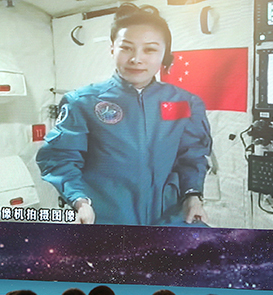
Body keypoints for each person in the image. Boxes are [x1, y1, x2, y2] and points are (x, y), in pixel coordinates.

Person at [36, 3, 210, 226]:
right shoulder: (82, 102)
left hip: (169, 220)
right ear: (112, 49)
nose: (137, 59)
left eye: (149, 49)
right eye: (126, 48)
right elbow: (60, 158)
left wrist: (193, 197)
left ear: (164, 53)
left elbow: (192, 156)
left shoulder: (185, 102)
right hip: (104, 220)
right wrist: (80, 201)